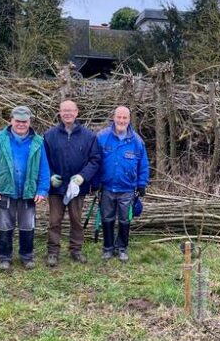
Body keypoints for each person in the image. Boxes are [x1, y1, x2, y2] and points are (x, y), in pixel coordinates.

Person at [0, 106, 50, 270]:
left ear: (29, 122)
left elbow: (44, 167)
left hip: (28, 192)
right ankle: (4, 257)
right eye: (18, 121)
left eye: (24, 121)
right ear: (11, 120)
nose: (21, 124)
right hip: (5, 190)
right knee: (4, 225)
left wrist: (42, 190)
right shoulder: (0, 138)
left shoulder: (38, 141)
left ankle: (26, 256)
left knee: (28, 225)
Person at [43, 100, 101, 266]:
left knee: (76, 220)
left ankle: (76, 250)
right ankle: (53, 252)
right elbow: (43, 161)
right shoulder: (49, 135)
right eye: (64, 111)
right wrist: (50, 176)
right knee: (54, 221)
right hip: (56, 188)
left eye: (71, 111)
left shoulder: (89, 136)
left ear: (77, 113)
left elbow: (95, 160)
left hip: (77, 188)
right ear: (59, 113)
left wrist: (83, 177)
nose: (67, 114)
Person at [97, 106, 150, 262]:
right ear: (114, 118)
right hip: (106, 187)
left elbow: (144, 165)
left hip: (127, 189)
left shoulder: (137, 141)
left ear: (129, 119)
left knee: (124, 220)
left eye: (124, 118)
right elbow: (94, 161)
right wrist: (95, 182)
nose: (121, 121)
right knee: (107, 218)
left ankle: (122, 248)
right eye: (119, 117)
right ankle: (107, 248)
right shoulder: (102, 137)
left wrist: (142, 184)